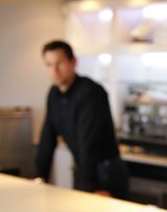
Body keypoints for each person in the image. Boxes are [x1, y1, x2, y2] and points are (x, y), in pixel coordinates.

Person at [35, 40, 129, 199]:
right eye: (49, 64)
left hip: (105, 176)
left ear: (73, 62)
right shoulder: (54, 94)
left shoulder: (91, 93)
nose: (54, 70)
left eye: (59, 63)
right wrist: (39, 177)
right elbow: (47, 138)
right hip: (84, 171)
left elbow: (89, 143)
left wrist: (92, 186)